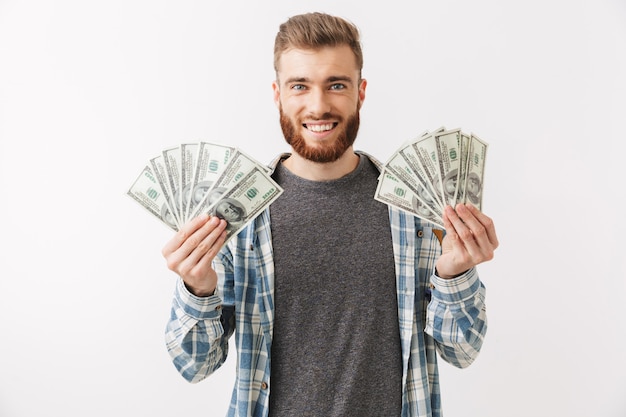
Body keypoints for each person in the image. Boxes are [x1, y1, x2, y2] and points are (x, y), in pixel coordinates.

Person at [162, 12, 498, 417]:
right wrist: (198, 289)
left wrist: (455, 275)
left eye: (336, 85)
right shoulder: (237, 219)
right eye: (299, 85)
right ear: (277, 94)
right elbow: (194, 365)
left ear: (361, 91)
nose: (318, 105)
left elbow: (462, 351)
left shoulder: (415, 211)